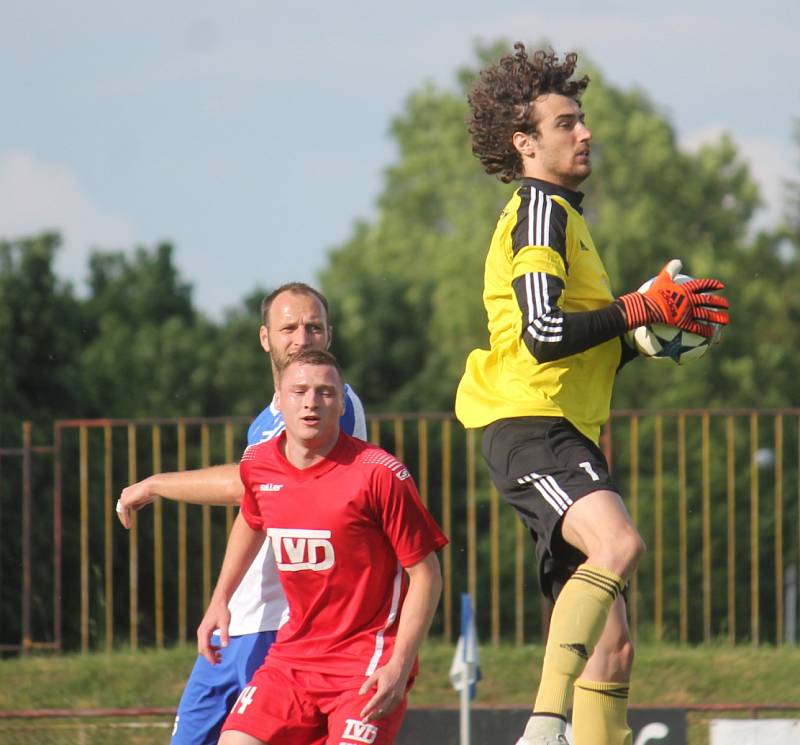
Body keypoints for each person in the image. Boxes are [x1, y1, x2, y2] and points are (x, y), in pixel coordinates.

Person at [454, 45, 729, 745]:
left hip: (562, 430)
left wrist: (642, 334)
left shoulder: (565, 218)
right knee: (619, 542)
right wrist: (638, 309)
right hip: (529, 427)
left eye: (583, 120)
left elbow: (575, 337)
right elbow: (545, 332)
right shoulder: (539, 210)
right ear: (526, 142)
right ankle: (544, 727)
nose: (585, 133)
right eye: (567, 122)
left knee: (613, 650)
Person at [116, 282, 366, 745]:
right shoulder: (263, 420)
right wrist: (220, 599)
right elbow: (254, 511)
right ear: (265, 338)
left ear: (329, 336)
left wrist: (156, 484)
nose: (302, 337)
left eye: (314, 327)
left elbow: (243, 485)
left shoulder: (333, 404)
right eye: (288, 327)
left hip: (283, 624)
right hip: (239, 623)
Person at [199, 348, 447, 745]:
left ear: (341, 402)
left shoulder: (379, 474)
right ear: (278, 399)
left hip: (364, 663)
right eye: (299, 391)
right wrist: (220, 599)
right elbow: (251, 517)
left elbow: (427, 573)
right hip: (292, 659)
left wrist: (399, 664)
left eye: (325, 392)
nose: (311, 402)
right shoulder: (258, 464)